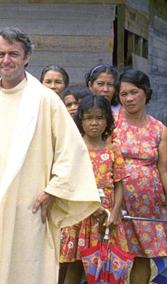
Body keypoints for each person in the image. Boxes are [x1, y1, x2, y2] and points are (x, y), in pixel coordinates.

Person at [0, 27, 101, 284]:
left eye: (14, 54)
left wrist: (54, 190)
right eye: (1, 54)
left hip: (32, 204)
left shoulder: (46, 100)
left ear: (27, 57)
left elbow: (70, 150)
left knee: (29, 268)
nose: (6, 60)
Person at [58, 95, 128, 284]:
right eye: (89, 118)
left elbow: (119, 184)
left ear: (108, 121)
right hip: (79, 216)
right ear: (81, 121)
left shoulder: (113, 150)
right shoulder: (74, 149)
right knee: (74, 268)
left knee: (103, 266)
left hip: (106, 219)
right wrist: (89, 205)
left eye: (99, 118)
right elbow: (68, 182)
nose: (94, 123)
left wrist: (115, 212)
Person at [112, 69, 167, 284]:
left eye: (134, 92)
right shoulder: (111, 123)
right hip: (117, 200)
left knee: (142, 255)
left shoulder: (159, 129)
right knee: (111, 252)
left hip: (148, 204)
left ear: (145, 93)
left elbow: (163, 169)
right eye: (123, 94)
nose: (129, 98)